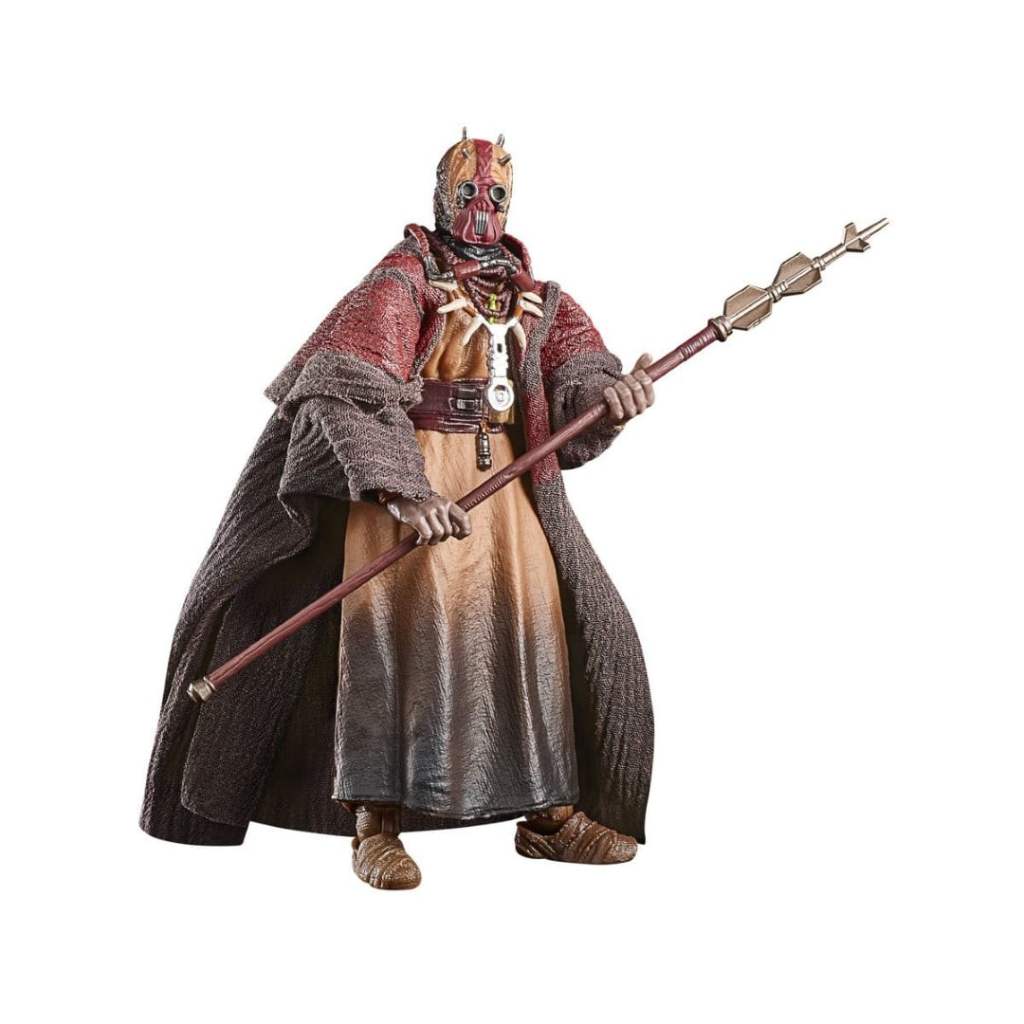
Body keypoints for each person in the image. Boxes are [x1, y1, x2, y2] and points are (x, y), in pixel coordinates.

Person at [141, 132, 656, 891]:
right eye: (469, 194)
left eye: (496, 196)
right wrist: (402, 490)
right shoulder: (405, 279)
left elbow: (576, 377)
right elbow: (343, 388)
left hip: (508, 488)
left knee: (533, 635)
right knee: (396, 639)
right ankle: (375, 823)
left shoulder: (536, 296)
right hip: (414, 481)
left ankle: (547, 816)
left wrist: (611, 398)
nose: (482, 209)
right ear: (444, 198)